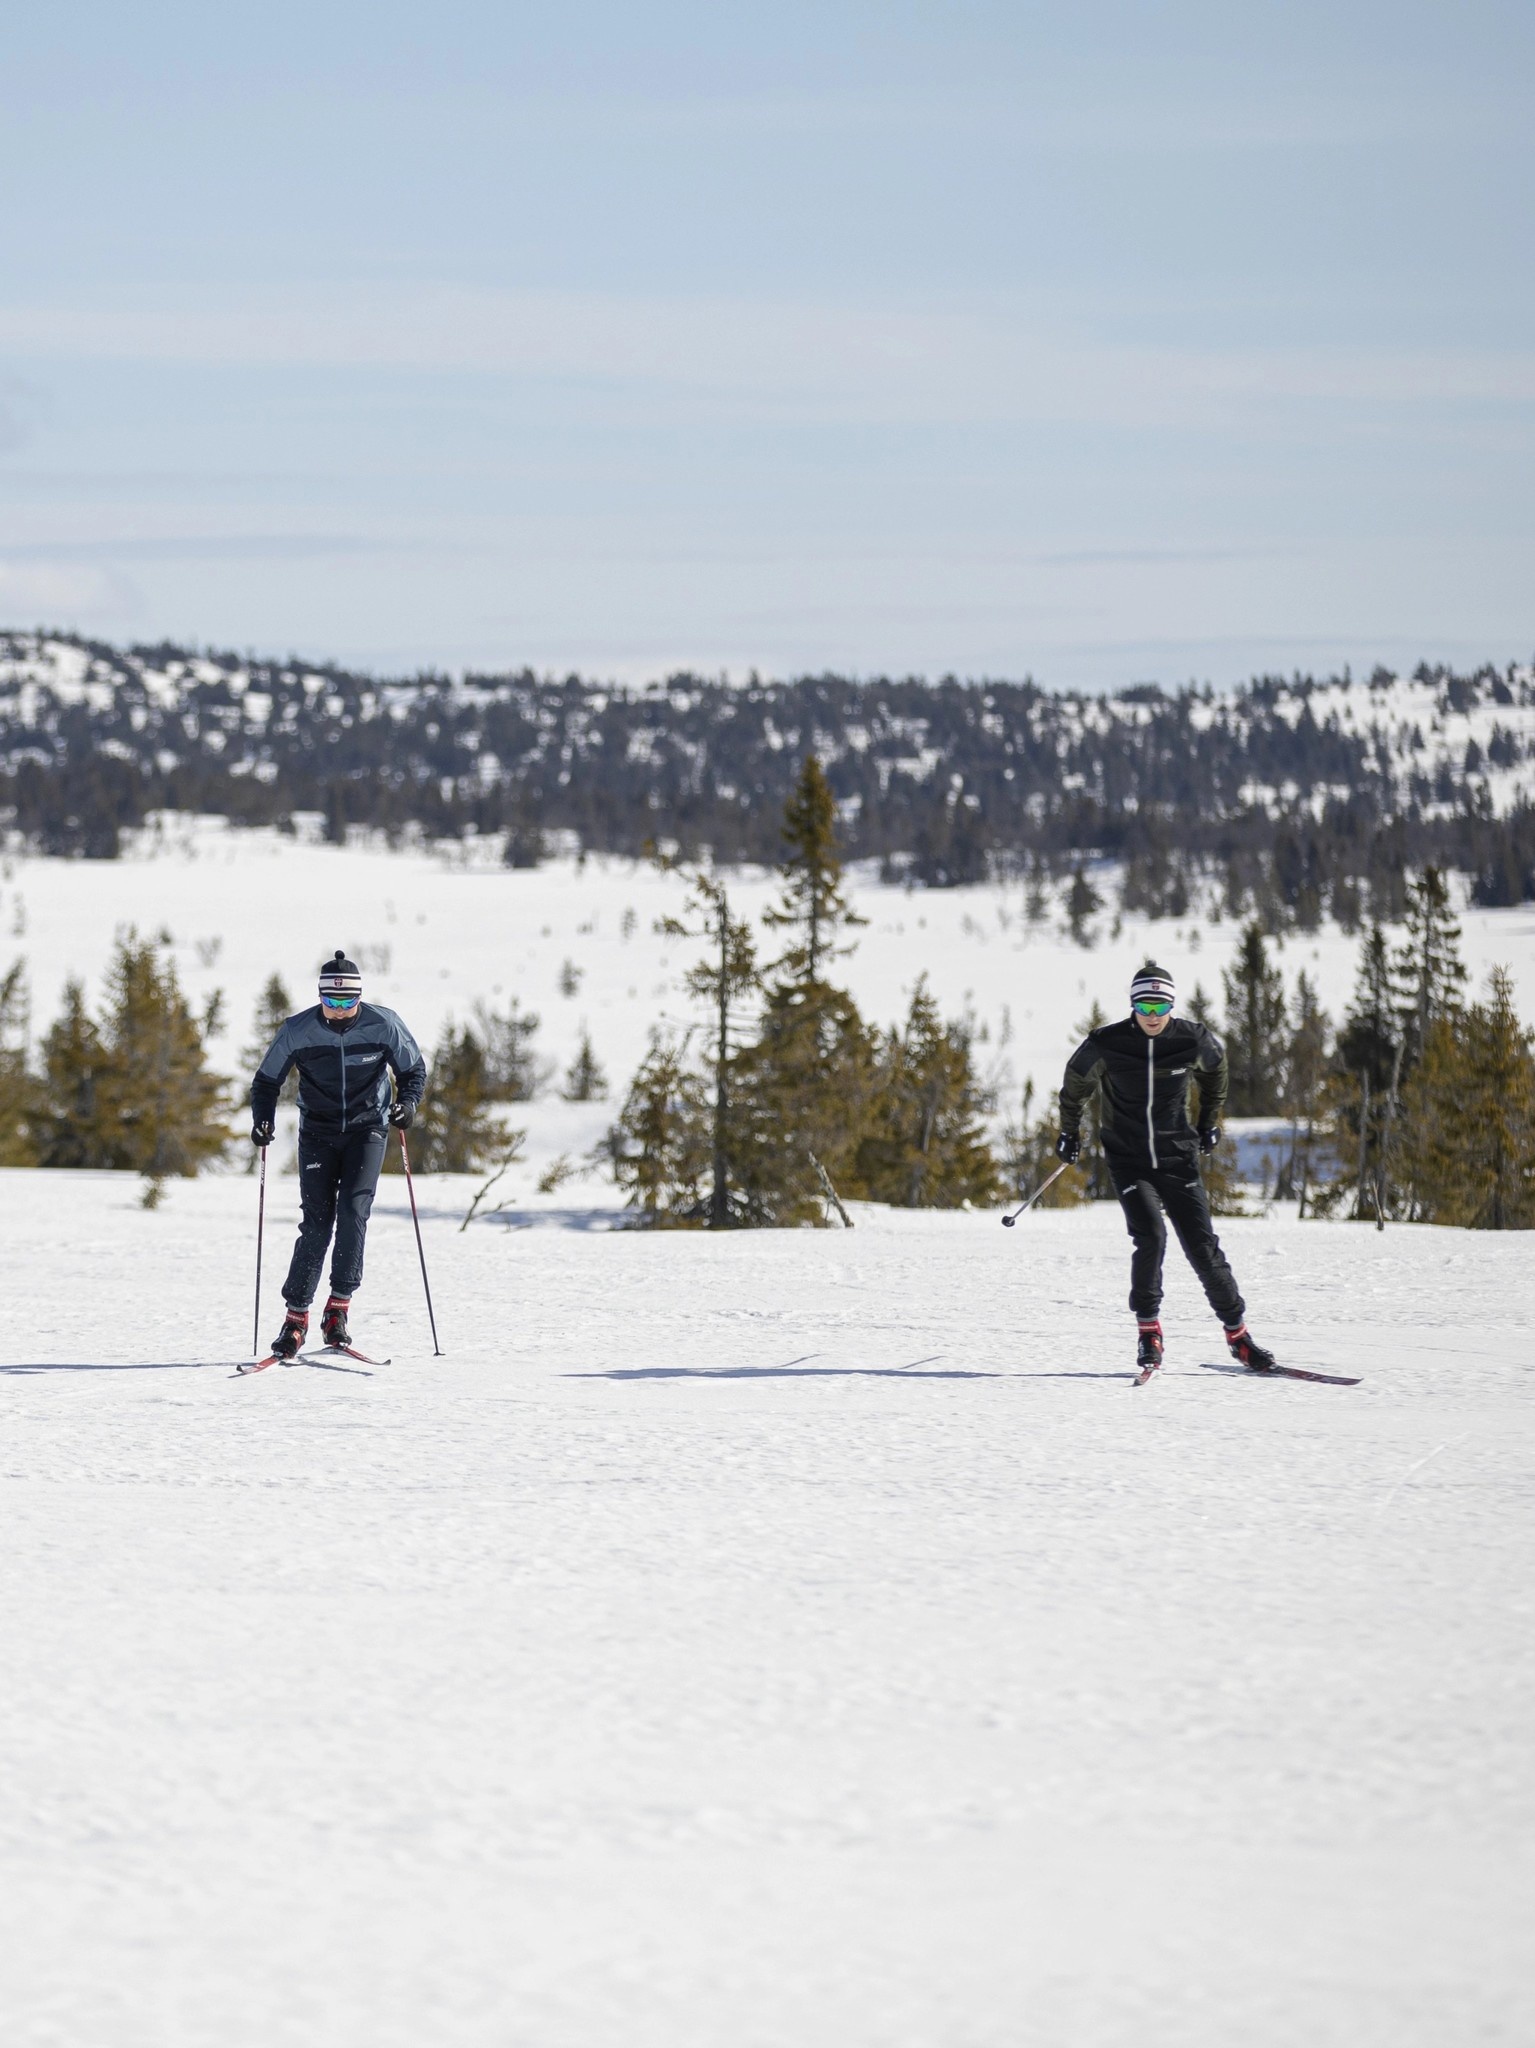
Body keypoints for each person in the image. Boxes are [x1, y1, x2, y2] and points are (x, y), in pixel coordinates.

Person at [1056, 960, 1275, 1377]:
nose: (1152, 1017)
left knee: (1203, 1249)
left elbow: (1217, 1073)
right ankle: (1148, 1331)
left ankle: (1239, 1337)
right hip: (1128, 1160)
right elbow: (1074, 1086)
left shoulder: (1193, 1040)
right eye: (1144, 1007)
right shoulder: (1107, 1042)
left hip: (1178, 1159)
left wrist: (1209, 1121)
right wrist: (1069, 1133)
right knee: (1151, 1237)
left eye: (1160, 1008)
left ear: (1171, 1006)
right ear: (1133, 1006)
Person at [250, 950, 427, 1359]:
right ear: (320, 998)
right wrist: (262, 1121)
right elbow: (265, 1083)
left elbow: (412, 1071)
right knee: (316, 1222)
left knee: (353, 1210)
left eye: (348, 1002)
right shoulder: (298, 1031)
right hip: (318, 1132)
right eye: (332, 1002)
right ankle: (295, 1319)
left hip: (368, 1129)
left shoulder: (384, 1024)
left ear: (359, 999)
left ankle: (338, 1310)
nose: (341, 1010)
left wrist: (409, 1105)